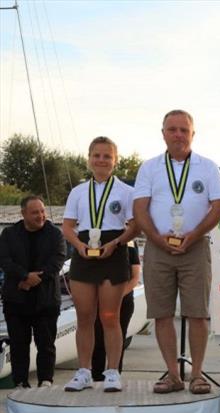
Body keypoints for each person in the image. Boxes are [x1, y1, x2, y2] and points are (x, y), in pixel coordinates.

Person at [133, 110, 220, 394]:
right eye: (172, 129)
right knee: (162, 314)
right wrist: (158, 239)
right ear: (162, 133)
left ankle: (196, 374)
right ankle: (173, 375)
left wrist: (193, 235)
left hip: (195, 248)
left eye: (184, 130)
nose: (178, 135)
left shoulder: (207, 167)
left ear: (193, 134)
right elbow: (139, 209)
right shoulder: (149, 168)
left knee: (197, 313)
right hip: (157, 249)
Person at [62, 136, 138, 392]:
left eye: (107, 156)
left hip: (112, 250)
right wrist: (79, 246)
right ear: (89, 158)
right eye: (97, 155)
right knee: (84, 317)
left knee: (110, 317)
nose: (101, 160)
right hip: (84, 252)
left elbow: (134, 226)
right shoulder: (78, 191)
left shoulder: (127, 192)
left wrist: (116, 243)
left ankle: (113, 372)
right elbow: (68, 226)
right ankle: (83, 372)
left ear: (115, 161)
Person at [0, 196, 66, 388]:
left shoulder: (55, 234)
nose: (41, 216)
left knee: (46, 344)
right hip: (16, 300)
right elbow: (4, 260)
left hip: (46, 300)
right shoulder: (9, 234)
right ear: (23, 214)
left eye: (42, 211)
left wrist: (34, 280)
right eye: (35, 212)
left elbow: (57, 260)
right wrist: (24, 276)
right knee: (19, 345)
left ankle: (46, 381)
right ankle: (20, 382)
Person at [91, 242, 141, 382]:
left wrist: (117, 296)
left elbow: (135, 277)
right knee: (98, 337)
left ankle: (114, 373)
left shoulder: (129, 245)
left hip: (123, 300)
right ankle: (97, 376)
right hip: (99, 299)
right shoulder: (95, 242)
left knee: (119, 335)